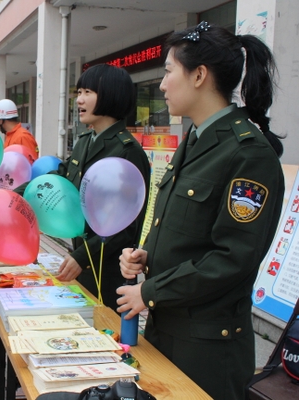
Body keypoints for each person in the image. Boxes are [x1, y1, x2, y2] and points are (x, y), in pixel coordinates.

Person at [117, 22, 285, 400]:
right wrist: (147, 255)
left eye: (168, 71)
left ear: (199, 76)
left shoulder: (248, 154)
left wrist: (151, 290)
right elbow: (188, 233)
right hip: (166, 331)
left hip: (207, 351)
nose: (162, 85)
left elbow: (232, 258)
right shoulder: (195, 140)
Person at [17, 64, 150, 310]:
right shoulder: (84, 142)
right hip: (81, 263)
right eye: (79, 92)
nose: (79, 99)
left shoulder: (127, 152)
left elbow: (127, 226)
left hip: (109, 271)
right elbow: (62, 177)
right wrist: (15, 196)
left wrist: (82, 257)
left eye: (87, 92)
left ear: (110, 94)